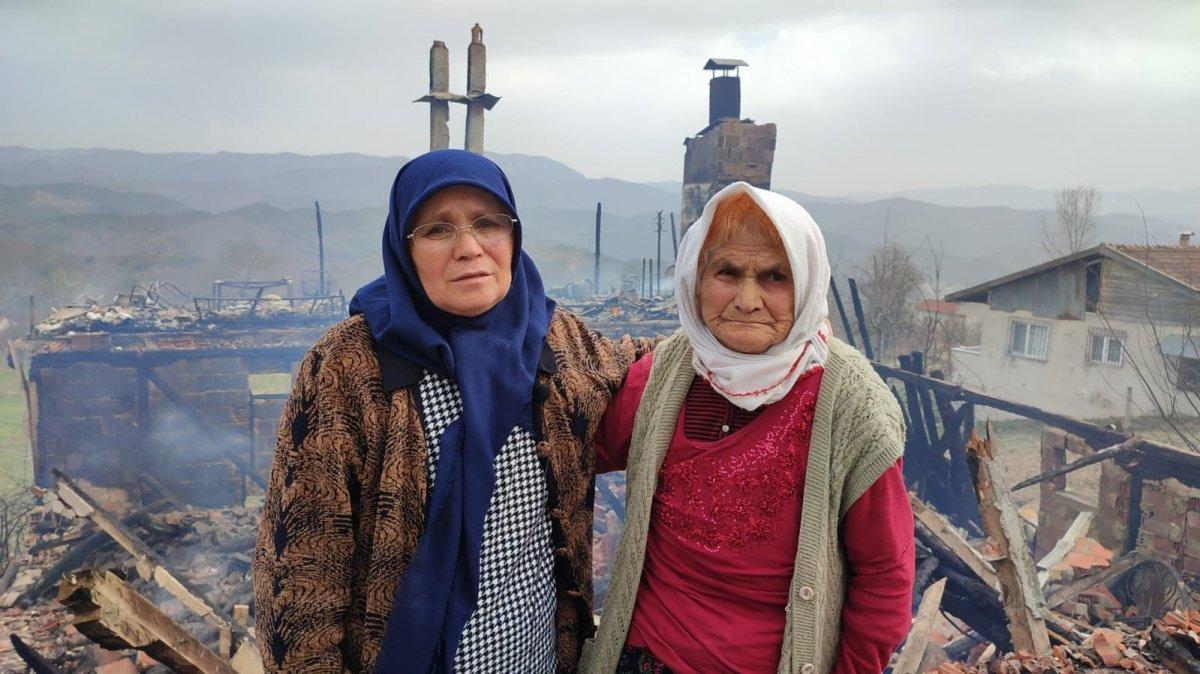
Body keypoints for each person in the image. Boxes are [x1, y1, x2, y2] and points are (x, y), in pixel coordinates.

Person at [252, 150, 653, 673]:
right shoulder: (349, 367)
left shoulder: (558, 344)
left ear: (513, 235)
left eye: (488, 223)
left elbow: (660, 365)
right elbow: (301, 576)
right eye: (438, 230)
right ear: (405, 248)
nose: (469, 248)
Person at [582, 182, 915, 674]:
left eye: (775, 276)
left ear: (805, 284)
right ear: (697, 279)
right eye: (728, 272)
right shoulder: (669, 370)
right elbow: (580, 449)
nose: (748, 299)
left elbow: (885, 576)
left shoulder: (852, 406)